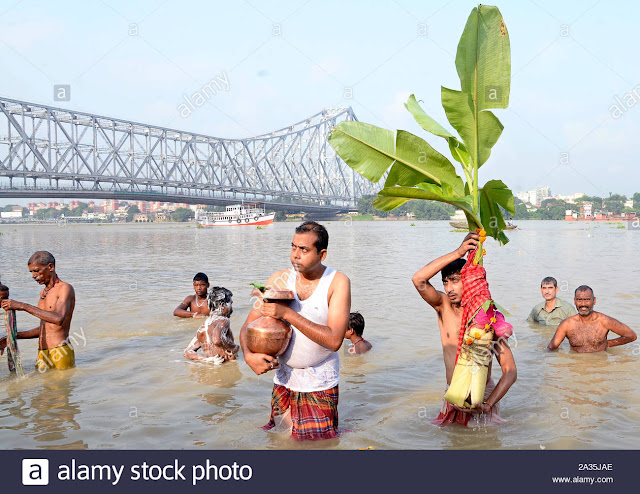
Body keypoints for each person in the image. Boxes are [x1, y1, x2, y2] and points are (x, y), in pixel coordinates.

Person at [239, 221, 351, 440]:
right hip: (284, 380)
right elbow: (247, 325)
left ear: (322, 254)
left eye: (304, 249)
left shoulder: (337, 282)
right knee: (280, 438)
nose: (296, 255)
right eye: (293, 247)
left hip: (319, 381)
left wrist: (287, 314)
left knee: (318, 445)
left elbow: (335, 340)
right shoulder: (278, 279)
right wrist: (249, 356)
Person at [411, 232, 517, 426]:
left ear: (468, 281)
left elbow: (510, 371)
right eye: (445, 282)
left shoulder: (487, 316)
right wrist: (459, 252)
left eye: (455, 280)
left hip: (481, 396)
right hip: (453, 392)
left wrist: (488, 403)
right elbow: (418, 279)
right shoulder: (443, 306)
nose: (449, 288)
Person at [0, 251, 76, 371]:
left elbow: (58, 319)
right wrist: (13, 337)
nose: (33, 276)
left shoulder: (64, 288)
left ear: (50, 267)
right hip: (42, 352)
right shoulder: (43, 294)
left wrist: (22, 306)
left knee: (60, 388)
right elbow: (44, 329)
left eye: (36, 271)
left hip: (60, 351)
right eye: (31, 272)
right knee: (43, 389)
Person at [547, 285, 637, 353]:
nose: (583, 304)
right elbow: (551, 348)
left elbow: (631, 336)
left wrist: (607, 344)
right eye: (579, 300)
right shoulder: (567, 324)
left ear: (594, 301)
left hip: (599, 368)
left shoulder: (604, 321)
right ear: (574, 301)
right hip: (576, 370)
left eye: (587, 299)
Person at [184, 286, 239, 364]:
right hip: (225, 368)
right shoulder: (223, 320)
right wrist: (234, 348)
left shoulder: (204, 326)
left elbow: (187, 352)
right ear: (222, 305)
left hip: (211, 368)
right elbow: (217, 340)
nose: (232, 308)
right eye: (230, 304)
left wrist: (209, 359)